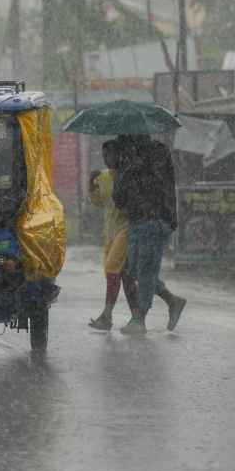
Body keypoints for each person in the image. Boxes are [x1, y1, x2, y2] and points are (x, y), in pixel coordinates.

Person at [112, 134, 187, 335]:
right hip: (140, 220)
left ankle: (139, 319)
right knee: (133, 271)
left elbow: (155, 186)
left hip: (153, 220)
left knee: (144, 271)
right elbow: (119, 198)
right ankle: (173, 301)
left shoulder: (152, 155)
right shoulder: (138, 157)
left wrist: (127, 169)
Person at [87, 140, 140, 330]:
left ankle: (107, 316)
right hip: (109, 232)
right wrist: (92, 186)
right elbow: (100, 202)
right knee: (125, 276)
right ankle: (137, 318)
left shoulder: (130, 176)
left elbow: (132, 205)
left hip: (126, 230)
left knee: (111, 271)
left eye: (110, 155)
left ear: (119, 156)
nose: (107, 159)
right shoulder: (102, 177)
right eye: (104, 155)